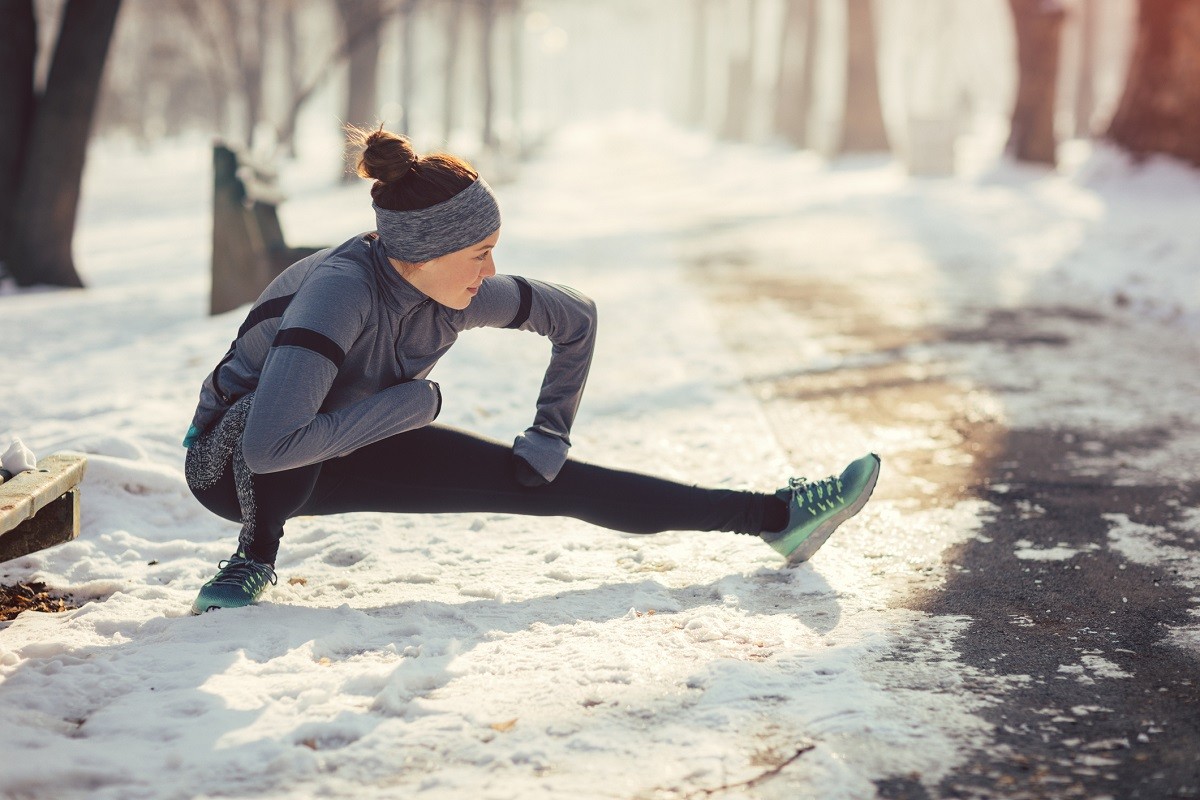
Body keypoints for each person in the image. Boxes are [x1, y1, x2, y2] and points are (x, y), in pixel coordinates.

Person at [183, 126, 881, 615]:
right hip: (235, 465)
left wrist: (550, 433)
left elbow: (575, 317)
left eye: (494, 250)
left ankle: (774, 516)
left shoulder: (451, 290)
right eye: (478, 253)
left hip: (340, 436)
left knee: (548, 484)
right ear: (423, 252)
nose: (490, 272)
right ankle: (255, 555)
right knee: (281, 421)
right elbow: (268, 444)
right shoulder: (340, 292)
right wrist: (413, 406)